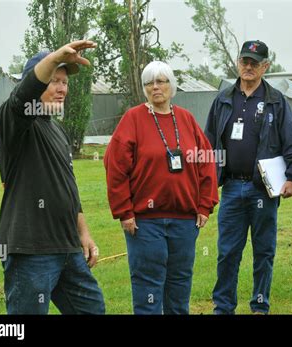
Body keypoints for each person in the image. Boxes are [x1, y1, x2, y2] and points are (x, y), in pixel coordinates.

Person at [0, 40, 105, 314]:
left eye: (65, 82)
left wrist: (84, 233)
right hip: (31, 249)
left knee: (92, 309)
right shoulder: (12, 120)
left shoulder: (57, 130)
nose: (62, 88)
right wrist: (55, 57)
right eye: (53, 80)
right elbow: (23, 96)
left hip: (67, 247)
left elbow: (68, 185)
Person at [104, 61, 219, 315]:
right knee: (148, 289)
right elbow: (115, 167)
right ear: (144, 88)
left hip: (184, 222)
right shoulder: (133, 119)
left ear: (171, 85)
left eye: (161, 81)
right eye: (149, 82)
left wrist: (205, 205)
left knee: (179, 288)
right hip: (146, 223)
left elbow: (206, 161)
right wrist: (125, 211)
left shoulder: (186, 119)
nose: (156, 87)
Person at [205, 40, 292, 314]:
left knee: (264, 253)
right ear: (238, 63)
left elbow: (289, 141)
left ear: (265, 67)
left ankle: (260, 306)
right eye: (244, 61)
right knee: (227, 252)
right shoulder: (223, 99)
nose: (248, 67)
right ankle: (223, 307)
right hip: (232, 186)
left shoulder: (275, 101)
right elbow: (209, 141)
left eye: (254, 63)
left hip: (264, 190)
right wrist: (207, 179)